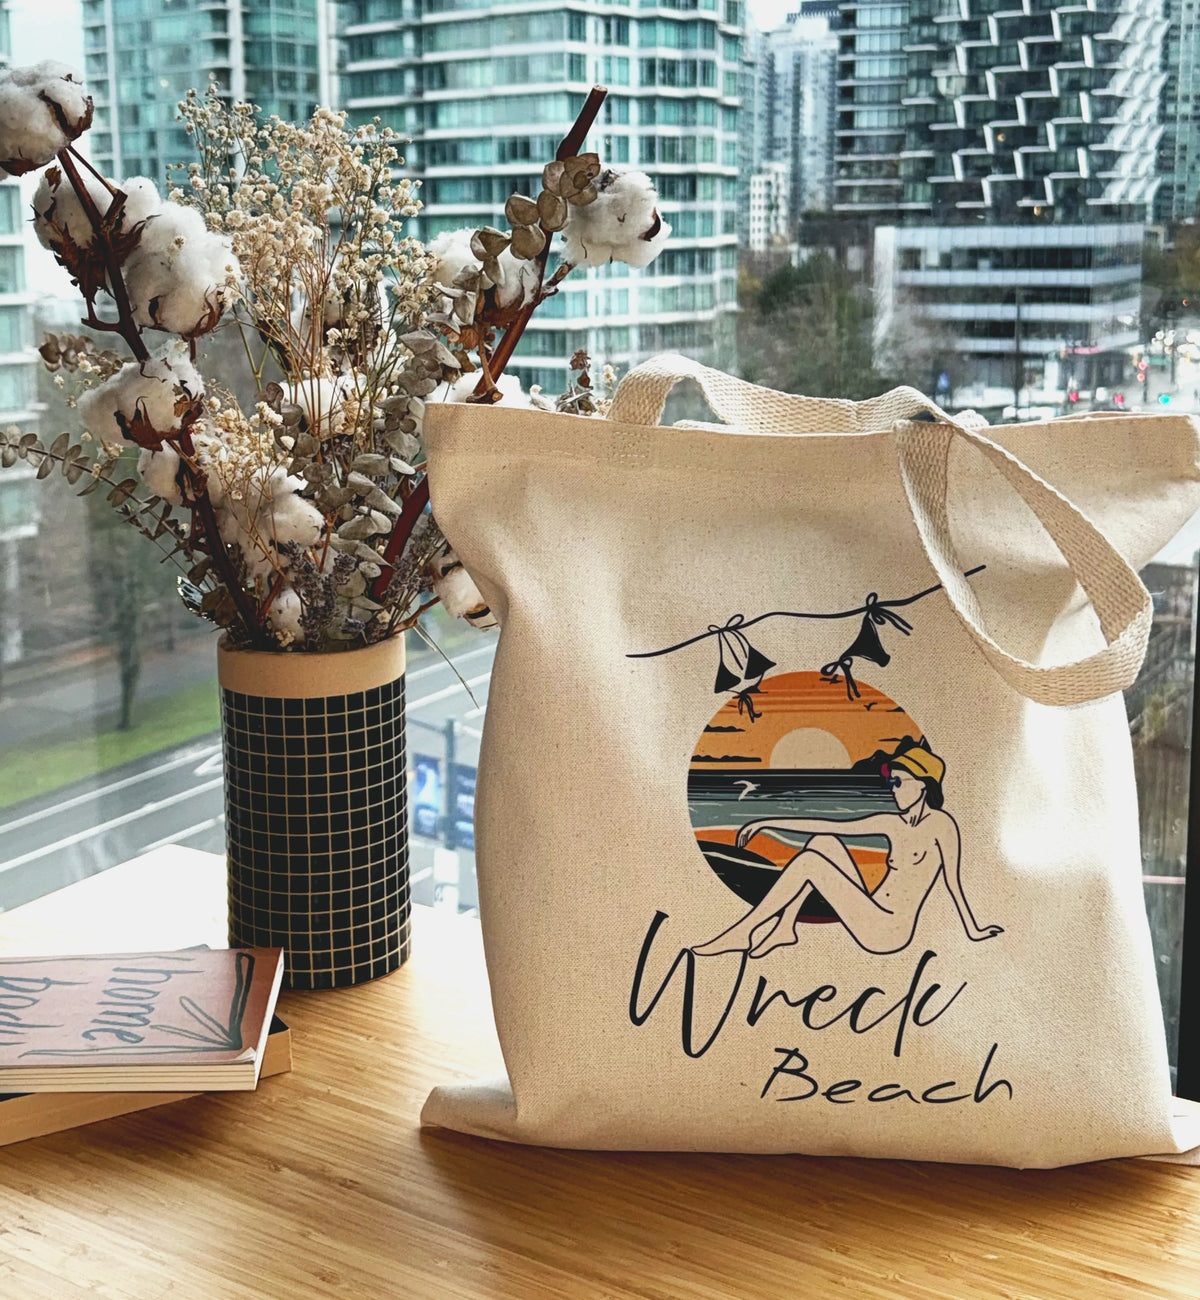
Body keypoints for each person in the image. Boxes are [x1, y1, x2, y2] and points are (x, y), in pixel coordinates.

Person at [691, 746, 1003, 959]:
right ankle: (785, 927)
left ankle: (745, 931)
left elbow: (953, 883)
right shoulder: (891, 823)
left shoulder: (942, 825)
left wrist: (973, 931)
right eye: (890, 781)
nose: (893, 788)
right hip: (870, 909)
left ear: (923, 785)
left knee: (811, 863)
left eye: (899, 781)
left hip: (888, 932)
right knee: (822, 841)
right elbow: (830, 824)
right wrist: (767, 821)